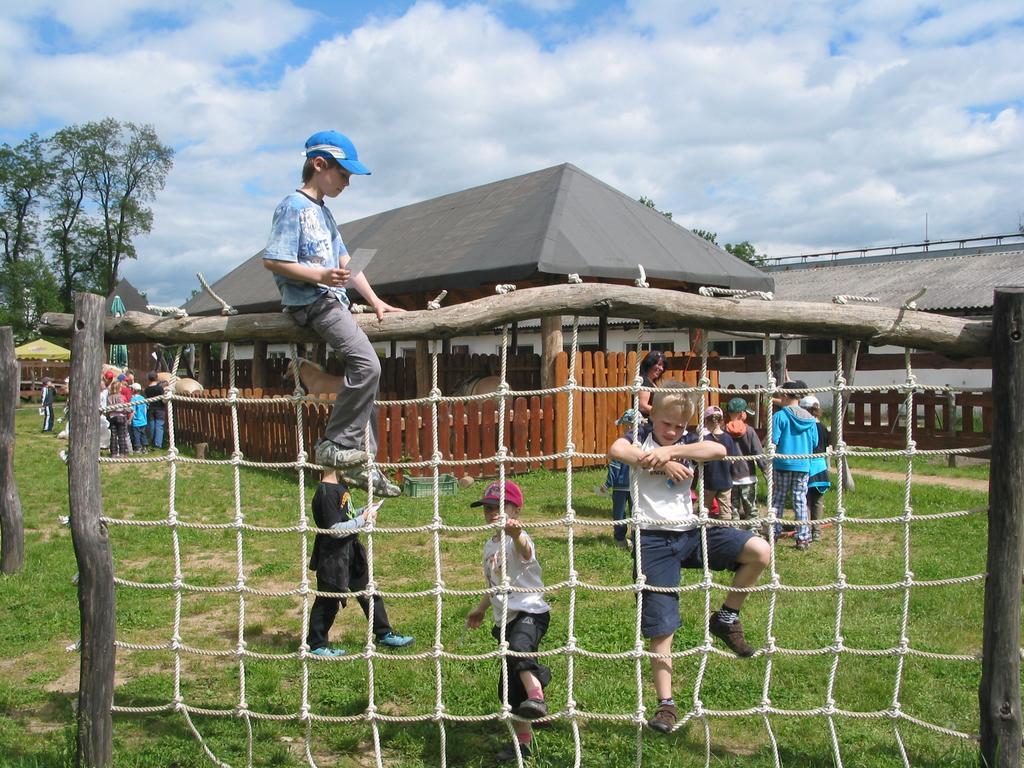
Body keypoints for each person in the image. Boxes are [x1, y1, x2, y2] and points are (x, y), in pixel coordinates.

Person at [608, 387, 770, 734]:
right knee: (662, 628)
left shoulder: (688, 439)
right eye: (667, 424)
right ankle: (666, 705)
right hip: (652, 539)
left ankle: (726, 617)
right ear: (651, 416)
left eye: (681, 426)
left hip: (693, 533)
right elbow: (617, 449)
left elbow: (718, 448)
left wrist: (674, 449)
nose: (673, 430)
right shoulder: (638, 437)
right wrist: (659, 461)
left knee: (760, 551)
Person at [262, 130, 404, 498]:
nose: (347, 183)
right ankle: (335, 444)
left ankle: (362, 461)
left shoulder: (325, 214)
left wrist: (375, 301)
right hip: (313, 301)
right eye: (343, 175)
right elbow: (274, 260)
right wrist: (320, 276)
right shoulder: (292, 206)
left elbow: (347, 264)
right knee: (368, 365)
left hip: (333, 300)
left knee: (366, 381)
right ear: (319, 164)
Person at [465, 481, 551, 763]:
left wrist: (516, 534)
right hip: (505, 619)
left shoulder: (518, 537)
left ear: (516, 509)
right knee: (509, 685)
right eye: (488, 508)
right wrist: (479, 609)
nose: (492, 513)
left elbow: (526, 552)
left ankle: (537, 694)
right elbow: (494, 585)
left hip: (530, 612)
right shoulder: (489, 546)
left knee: (518, 648)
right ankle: (524, 742)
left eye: (500, 507)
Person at [306, 470, 414, 657]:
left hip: (352, 552)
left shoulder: (340, 486)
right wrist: (362, 520)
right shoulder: (326, 492)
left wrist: (363, 511)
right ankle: (316, 644)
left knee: (369, 592)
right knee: (328, 600)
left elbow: (345, 517)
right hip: (333, 557)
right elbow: (334, 529)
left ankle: (384, 633)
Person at [771, 381, 819, 551]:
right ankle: (803, 538)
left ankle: (773, 533)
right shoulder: (810, 419)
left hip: (783, 463)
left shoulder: (779, 416)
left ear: (785, 396)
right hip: (803, 464)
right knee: (800, 500)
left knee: (778, 499)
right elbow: (815, 442)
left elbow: (773, 441)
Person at [725, 397, 768, 521]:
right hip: (747, 476)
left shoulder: (724, 431)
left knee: (733, 509)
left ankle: (735, 533)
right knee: (750, 508)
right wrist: (765, 471)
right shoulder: (749, 431)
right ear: (741, 414)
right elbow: (758, 452)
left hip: (730, 477)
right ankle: (753, 531)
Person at [603, 409, 638, 549]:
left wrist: (607, 484)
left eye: (623, 425)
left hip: (621, 485)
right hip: (637, 485)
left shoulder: (622, 445)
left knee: (619, 513)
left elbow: (615, 467)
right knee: (637, 511)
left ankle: (620, 539)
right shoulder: (642, 444)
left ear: (628, 426)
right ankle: (637, 539)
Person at [799, 395, 832, 542]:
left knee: (805, 500)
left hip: (807, 466)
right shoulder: (824, 427)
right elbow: (827, 446)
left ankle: (805, 529)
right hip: (821, 467)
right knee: (818, 501)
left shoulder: (805, 427)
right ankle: (816, 532)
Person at [701, 405, 738, 520]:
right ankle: (726, 530)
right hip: (725, 480)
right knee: (725, 510)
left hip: (709, 480)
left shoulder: (705, 439)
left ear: (706, 421)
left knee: (704, 508)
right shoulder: (728, 438)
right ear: (722, 421)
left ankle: (703, 529)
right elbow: (732, 459)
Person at [637, 351, 667, 418]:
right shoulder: (644, 381)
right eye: (659, 364)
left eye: (663, 366)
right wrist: (665, 414)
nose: (661, 368)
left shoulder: (652, 383)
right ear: (649, 364)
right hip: (646, 425)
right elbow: (642, 406)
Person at [106, 377, 130, 458]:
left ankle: (114, 453)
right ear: (119, 388)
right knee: (121, 435)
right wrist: (129, 410)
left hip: (112, 417)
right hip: (121, 417)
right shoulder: (121, 397)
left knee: (113, 435)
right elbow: (123, 407)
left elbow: (108, 408)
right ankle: (123, 452)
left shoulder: (109, 397)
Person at [144, 371, 167, 450]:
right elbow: (163, 400)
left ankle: (151, 442)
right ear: (156, 378)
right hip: (160, 409)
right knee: (159, 426)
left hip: (151, 409)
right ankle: (157, 444)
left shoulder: (147, 389)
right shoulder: (159, 388)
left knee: (152, 426)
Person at [129, 383, 150, 454]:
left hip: (136, 421)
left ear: (133, 390)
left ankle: (138, 447)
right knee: (143, 433)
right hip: (144, 420)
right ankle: (145, 447)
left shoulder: (133, 399)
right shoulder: (143, 398)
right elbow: (146, 408)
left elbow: (133, 411)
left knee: (136, 434)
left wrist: (129, 420)